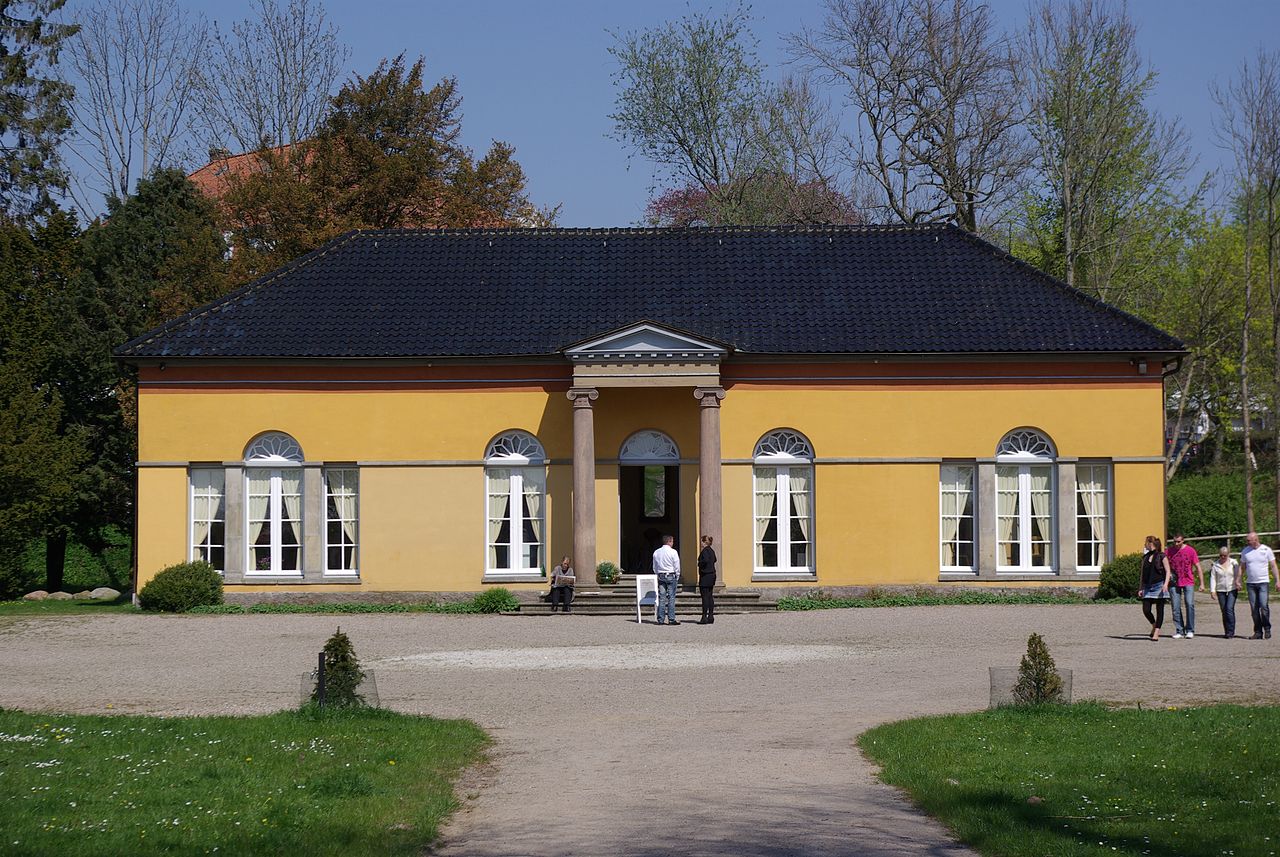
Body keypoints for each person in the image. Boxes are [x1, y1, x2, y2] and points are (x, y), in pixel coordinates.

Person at [1240, 531, 1278, 640]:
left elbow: (1273, 566)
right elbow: (1242, 567)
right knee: (1254, 608)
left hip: (1263, 582)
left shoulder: (1266, 550)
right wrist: (1238, 580)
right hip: (1250, 583)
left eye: (1249, 540)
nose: (1247, 542)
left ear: (1255, 540)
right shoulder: (1245, 551)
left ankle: (1267, 628)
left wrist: (1277, 581)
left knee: (1264, 606)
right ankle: (1257, 631)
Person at [1165, 534, 1202, 638]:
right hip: (1174, 581)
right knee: (1175, 606)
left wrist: (1202, 583)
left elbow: (1198, 566)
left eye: (1178, 542)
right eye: (1175, 542)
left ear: (1183, 541)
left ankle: (1190, 629)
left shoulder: (1190, 551)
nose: (1176, 544)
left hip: (1188, 580)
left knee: (1189, 604)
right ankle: (1179, 630)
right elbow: (1164, 564)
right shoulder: (1169, 551)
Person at [1139, 536, 1172, 641]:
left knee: (1159, 609)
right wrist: (1141, 587)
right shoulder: (1145, 557)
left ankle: (1157, 631)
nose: (1144, 545)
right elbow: (1142, 574)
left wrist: (1166, 584)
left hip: (1159, 585)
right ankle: (1153, 624)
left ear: (1150, 543)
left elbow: (1168, 571)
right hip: (1148, 586)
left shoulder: (1162, 556)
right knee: (1146, 609)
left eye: (1145, 543)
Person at [1209, 546, 1242, 639]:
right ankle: (1227, 631)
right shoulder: (1216, 565)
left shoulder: (1234, 563)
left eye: (1224, 555)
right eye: (1221, 555)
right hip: (1221, 590)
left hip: (1232, 588)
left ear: (1228, 555)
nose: (1222, 557)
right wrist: (1212, 590)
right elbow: (1213, 578)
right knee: (1224, 611)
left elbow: (1237, 575)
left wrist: (1238, 583)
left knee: (1229, 609)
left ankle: (1231, 632)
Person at [652, 534, 681, 625]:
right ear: (669, 541)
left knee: (662, 598)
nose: (673, 543)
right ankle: (671, 619)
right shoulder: (673, 552)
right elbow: (676, 565)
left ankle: (660, 619)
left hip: (661, 575)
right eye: (672, 541)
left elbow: (654, 566)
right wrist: (677, 574)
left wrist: (657, 573)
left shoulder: (656, 552)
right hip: (671, 575)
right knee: (671, 597)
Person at [697, 535, 717, 625]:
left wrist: (700, 564)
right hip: (712, 574)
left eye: (701, 541)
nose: (700, 543)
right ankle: (711, 616)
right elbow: (715, 560)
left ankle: (704, 617)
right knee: (710, 596)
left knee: (705, 597)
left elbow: (704, 560)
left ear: (705, 542)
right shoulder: (711, 550)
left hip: (705, 575)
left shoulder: (705, 551)